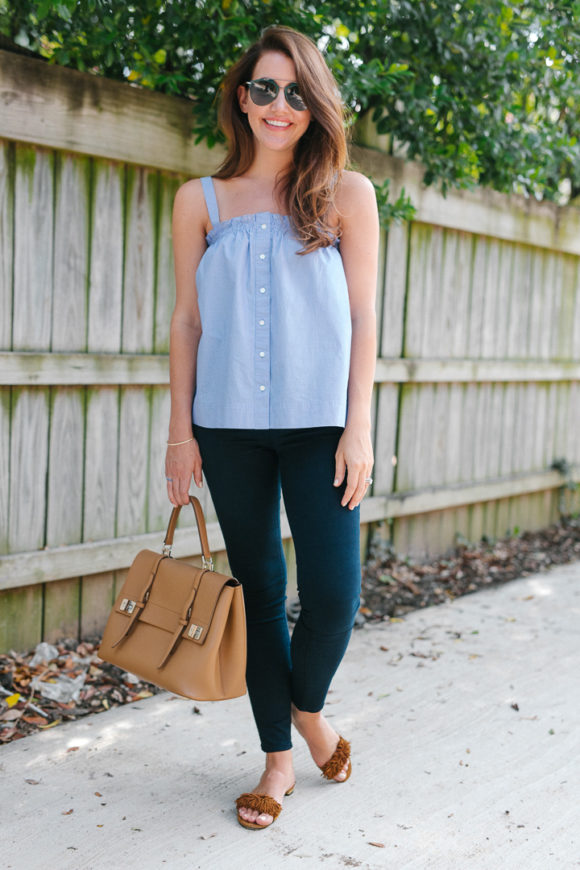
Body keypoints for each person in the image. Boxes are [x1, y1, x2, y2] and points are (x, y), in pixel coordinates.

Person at [165, 24, 379, 830]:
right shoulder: (202, 201)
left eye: (295, 91)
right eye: (263, 88)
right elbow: (187, 323)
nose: (278, 105)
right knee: (260, 594)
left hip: (322, 424)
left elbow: (364, 320)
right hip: (226, 428)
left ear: (313, 102)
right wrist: (179, 433)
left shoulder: (346, 195)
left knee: (334, 596)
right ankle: (280, 761)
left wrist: (358, 428)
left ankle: (310, 714)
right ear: (241, 98)